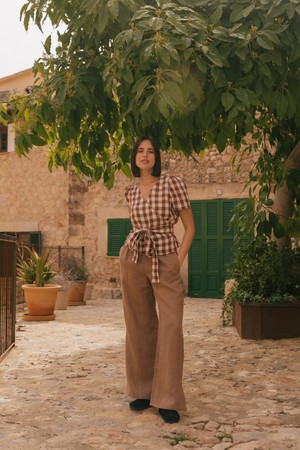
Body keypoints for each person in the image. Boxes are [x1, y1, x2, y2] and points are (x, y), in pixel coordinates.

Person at [119, 135, 195, 423]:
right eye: (140, 150)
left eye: (151, 151)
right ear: (134, 157)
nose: (145, 155)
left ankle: (167, 398)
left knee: (171, 325)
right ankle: (142, 390)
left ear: (157, 157)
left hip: (165, 257)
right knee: (139, 324)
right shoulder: (130, 190)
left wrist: (177, 260)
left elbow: (190, 227)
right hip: (134, 257)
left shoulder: (172, 183)